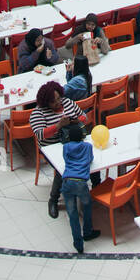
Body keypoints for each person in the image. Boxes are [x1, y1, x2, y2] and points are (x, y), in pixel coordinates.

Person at [30, 81, 92, 218]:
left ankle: (95, 189)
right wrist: (58, 125)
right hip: (51, 147)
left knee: (90, 158)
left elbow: (84, 117)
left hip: (73, 142)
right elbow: (39, 134)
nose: (58, 103)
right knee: (62, 169)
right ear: (46, 102)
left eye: (58, 98)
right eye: (53, 101)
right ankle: (53, 200)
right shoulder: (38, 113)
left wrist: (76, 120)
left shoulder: (68, 103)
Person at [60, 121, 101, 254]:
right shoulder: (87, 146)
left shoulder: (66, 147)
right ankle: (88, 232)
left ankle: (78, 244)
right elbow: (90, 159)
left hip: (67, 181)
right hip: (81, 183)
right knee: (87, 205)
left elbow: (66, 160)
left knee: (72, 214)